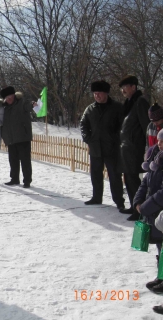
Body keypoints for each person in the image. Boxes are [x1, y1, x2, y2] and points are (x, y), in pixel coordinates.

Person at [80, 80, 125, 210]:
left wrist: (115, 138)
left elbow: (123, 126)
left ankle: (119, 201)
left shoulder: (117, 108)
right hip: (95, 148)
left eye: (99, 93)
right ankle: (96, 197)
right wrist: (88, 138)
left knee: (115, 176)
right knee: (95, 174)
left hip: (112, 148)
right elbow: (83, 124)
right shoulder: (90, 109)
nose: (97, 96)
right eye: (94, 93)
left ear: (106, 93)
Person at [133, 133, 163, 296]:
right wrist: (138, 201)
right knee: (160, 247)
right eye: (158, 140)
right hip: (153, 213)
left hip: (159, 211)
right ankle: (161, 276)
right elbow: (145, 182)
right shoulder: (155, 158)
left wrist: (146, 206)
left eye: (162, 141)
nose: (159, 144)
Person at [119, 75, 150, 221]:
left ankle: (140, 209)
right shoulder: (129, 102)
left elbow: (146, 126)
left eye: (125, 86)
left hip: (136, 148)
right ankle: (133, 206)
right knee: (128, 179)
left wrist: (148, 148)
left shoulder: (140, 101)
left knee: (134, 180)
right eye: (122, 87)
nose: (123, 90)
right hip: (127, 148)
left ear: (133, 87)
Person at [1, 86, 33, 188]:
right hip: (10, 138)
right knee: (13, 160)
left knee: (25, 160)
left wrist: (33, 104)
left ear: (14, 95)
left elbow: (28, 105)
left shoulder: (22, 102)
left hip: (22, 137)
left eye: (10, 96)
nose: (9, 99)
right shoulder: (4, 108)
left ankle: (27, 180)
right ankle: (14, 179)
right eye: (7, 98)